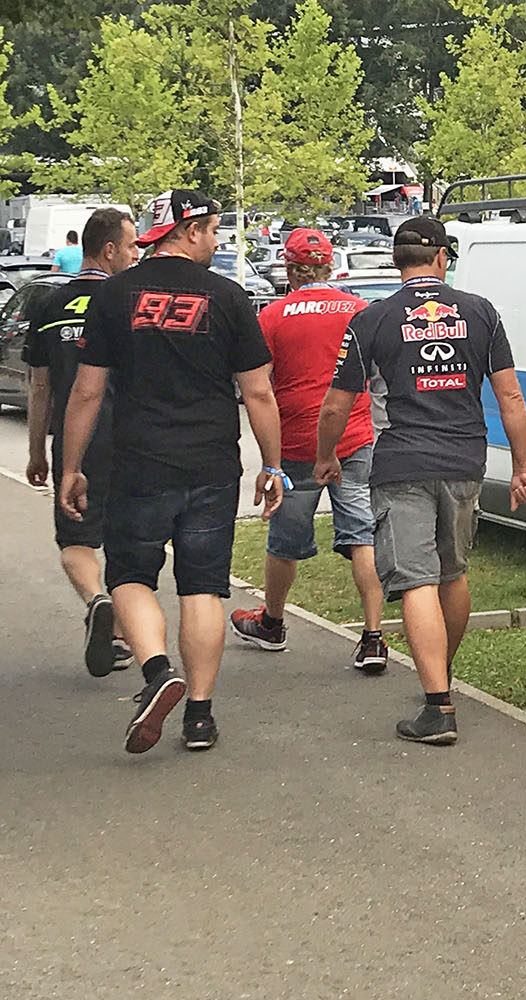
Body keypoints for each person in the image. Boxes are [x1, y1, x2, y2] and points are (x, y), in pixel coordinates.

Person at [60, 189, 285, 755]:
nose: (216, 241)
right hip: (211, 464)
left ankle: (158, 672)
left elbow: (87, 392)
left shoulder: (113, 295)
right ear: (189, 231)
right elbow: (258, 391)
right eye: (212, 230)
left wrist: (70, 465)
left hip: (137, 463)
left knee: (130, 576)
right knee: (203, 587)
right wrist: (274, 466)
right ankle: (201, 718)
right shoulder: (230, 297)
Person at [315, 216, 526, 746]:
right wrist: (524, 467)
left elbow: (337, 403)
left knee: (415, 579)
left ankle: (437, 703)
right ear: (441, 258)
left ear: (398, 261)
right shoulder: (481, 312)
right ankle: (441, 678)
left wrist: (326, 455)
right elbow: (510, 396)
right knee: (451, 573)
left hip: (400, 463)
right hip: (464, 461)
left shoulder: (372, 319)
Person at [230, 228, 389, 672]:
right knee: (363, 536)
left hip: (296, 441)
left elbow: (258, 388)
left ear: (290, 268)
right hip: (354, 437)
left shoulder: (273, 316)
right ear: (329, 265)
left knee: (284, 538)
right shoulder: (360, 311)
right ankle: (373, 637)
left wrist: (269, 462)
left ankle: (273, 622)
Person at [23, 208, 139, 676]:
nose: (137, 254)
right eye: (132, 246)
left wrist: (37, 450)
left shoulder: (49, 306)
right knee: (125, 538)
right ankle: (118, 632)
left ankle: (97, 601)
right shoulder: (131, 303)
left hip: (76, 440)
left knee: (76, 538)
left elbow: (39, 387)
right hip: (130, 438)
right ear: (109, 250)